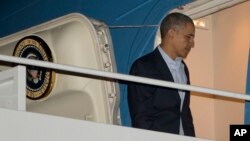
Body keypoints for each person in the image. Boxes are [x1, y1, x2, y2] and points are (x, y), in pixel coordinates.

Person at [127, 12, 195, 136]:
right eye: (188, 37)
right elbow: (141, 117)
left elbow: (184, 112)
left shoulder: (183, 68)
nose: (192, 43)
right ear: (171, 33)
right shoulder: (143, 67)